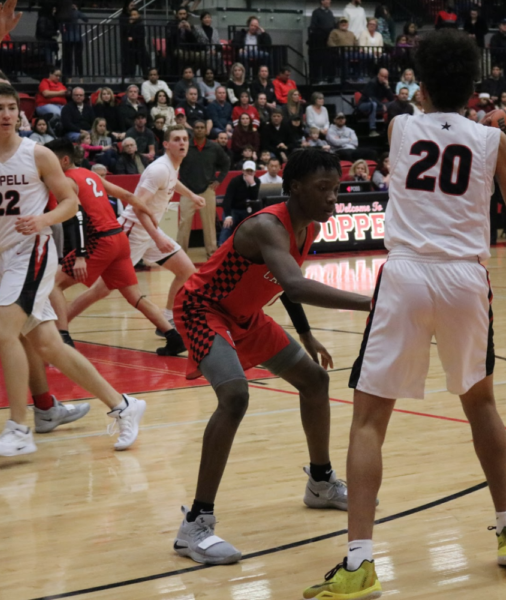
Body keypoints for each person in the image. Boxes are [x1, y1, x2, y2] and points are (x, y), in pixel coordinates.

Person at [303, 30, 506, 599]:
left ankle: (360, 561)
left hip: (407, 274)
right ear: (473, 86)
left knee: (368, 420)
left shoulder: (398, 127)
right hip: (466, 278)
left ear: (422, 82)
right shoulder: (492, 141)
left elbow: (425, 117)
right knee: (481, 402)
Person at [172, 147, 372, 566]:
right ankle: (195, 524)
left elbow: (283, 283)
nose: (333, 198)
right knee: (235, 396)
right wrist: (372, 301)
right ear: (294, 188)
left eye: (336, 189)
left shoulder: (307, 226)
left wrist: (305, 334)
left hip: (245, 316)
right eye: (323, 189)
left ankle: (320, 483)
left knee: (315, 380)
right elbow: (297, 285)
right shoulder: (267, 225)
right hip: (203, 309)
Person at [0, 82, 146, 457]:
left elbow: (70, 203)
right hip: (2, 257)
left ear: (21, 113)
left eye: (12, 108)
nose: (6, 114)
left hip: (33, 251)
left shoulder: (38, 155)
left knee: (2, 329)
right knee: (48, 344)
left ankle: (18, 429)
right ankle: (124, 405)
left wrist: (42, 219)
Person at [42, 139, 181, 350]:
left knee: (52, 284)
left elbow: (78, 218)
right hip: (119, 239)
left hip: (100, 241)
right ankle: (173, 337)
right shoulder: (91, 175)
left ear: (64, 160)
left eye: (50, 160)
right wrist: (149, 212)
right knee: (134, 295)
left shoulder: (66, 181)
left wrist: (80, 255)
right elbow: (127, 195)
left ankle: (63, 339)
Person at [67, 125, 199, 340]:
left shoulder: (172, 167)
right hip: (132, 231)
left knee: (187, 271)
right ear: (166, 144)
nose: (182, 143)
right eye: (177, 139)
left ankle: (167, 319)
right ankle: (61, 326)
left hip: (150, 232)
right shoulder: (160, 169)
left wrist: (191, 195)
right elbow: (138, 207)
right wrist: (157, 237)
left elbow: (173, 183)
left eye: (185, 139)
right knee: (102, 290)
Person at [177, 120, 230, 257]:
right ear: (193, 130)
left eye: (202, 128)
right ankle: (180, 254)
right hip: (187, 191)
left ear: (206, 130)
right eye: (197, 127)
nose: (199, 130)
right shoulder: (185, 146)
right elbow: (175, 162)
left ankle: (212, 252)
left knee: (209, 224)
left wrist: (219, 180)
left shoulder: (214, 147)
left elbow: (226, 163)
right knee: (184, 224)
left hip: (207, 190)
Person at [218, 160, 260, 246]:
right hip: (234, 210)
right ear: (243, 171)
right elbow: (227, 200)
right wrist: (228, 216)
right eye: (247, 171)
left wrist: (252, 184)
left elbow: (256, 199)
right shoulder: (235, 181)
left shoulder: (257, 182)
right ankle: (221, 245)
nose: (249, 173)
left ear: (255, 172)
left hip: (248, 211)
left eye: (251, 171)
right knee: (227, 225)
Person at [358, 68, 395, 136]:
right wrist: (381, 105)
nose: (384, 78)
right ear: (378, 75)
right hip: (364, 104)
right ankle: (372, 130)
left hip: (378, 105)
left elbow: (391, 99)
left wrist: (387, 87)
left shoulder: (384, 84)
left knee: (393, 104)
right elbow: (371, 97)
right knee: (373, 104)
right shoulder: (372, 83)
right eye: (382, 76)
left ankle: (389, 128)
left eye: (386, 77)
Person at [308, 0, 337, 83]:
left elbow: (333, 25)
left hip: (329, 41)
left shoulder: (330, 13)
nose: (329, 1)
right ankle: (318, 79)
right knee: (318, 61)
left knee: (329, 60)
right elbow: (313, 26)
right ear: (322, 1)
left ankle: (329, 78)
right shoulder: (316, 12)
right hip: (319, 42)